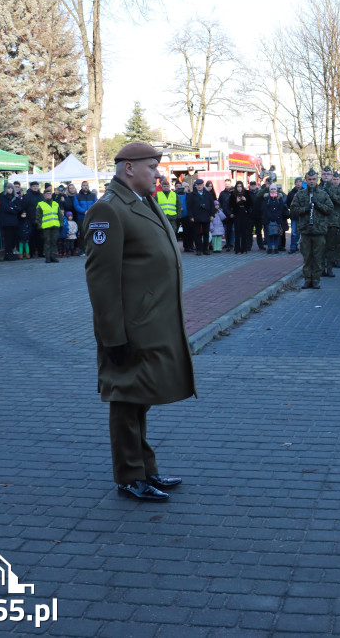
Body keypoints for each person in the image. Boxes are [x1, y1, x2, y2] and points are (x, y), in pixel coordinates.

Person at [83, 141, 195, 502]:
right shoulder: (108, 209)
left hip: (152, 323)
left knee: (140, 399)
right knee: (127, 399)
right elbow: (101, 280)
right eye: (152, 166)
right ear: (129, 167)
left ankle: (147, 470)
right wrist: (113, 336)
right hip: (129, 327)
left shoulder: (143, 202)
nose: (158, 173)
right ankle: (130, 476)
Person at [289, 169, 332, 289]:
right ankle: (308, 279)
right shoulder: (301, 194)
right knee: (307, 257)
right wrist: (305, 209)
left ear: (317, 180)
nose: (312, 182)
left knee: (318, 257)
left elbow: (329, 209)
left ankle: (316, 279)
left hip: (319, 231)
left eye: (314, 179)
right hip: (306, 230)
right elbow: (293, 210)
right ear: (305, 180)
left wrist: (317, 204)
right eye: (309, 180)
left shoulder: (323, 194)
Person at [188, 179, 215, 255]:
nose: (199, 186)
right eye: (198, 185)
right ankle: (198, 249)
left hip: (206, 216)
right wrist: (191, 216)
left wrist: (212, 215)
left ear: (203, 185)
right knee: (197, 234)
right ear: (196, 186)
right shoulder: (192, 194)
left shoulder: (208, 194)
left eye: (200, 185)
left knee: (206, 234)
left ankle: (205, 249)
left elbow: (212, 205)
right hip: (196, 216)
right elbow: (189, 206)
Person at [36, 188, 62, 263]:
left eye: (50, 193)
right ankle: (47, 257)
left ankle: (53, 256)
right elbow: (38, 217)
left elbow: (59, 215)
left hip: (55, 225)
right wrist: (39, 226)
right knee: (47, 242)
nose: (48, 195)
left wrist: (61, 224)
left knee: (54, 242)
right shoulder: (40, 204)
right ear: (44, 195)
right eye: (47, 194)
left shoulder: (55, 204)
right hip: (46, 227)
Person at [0, 183, 22, 261]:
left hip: (14, 221)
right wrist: (13, 209)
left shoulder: (14, 197)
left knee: (13, 239)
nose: (10, 190)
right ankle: (7, 254)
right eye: (8, 188)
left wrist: (13, 209)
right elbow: (6, 208)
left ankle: (10, 253)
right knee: (8, 239)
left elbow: (19, 207)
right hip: (6, 221)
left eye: (11, 188)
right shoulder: (2, 197)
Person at [261, 184, 288, 254]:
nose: (273, 190)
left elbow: (281, 209)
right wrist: (269, 216)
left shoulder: (279, 199)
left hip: (277, 220)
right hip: (269, 220)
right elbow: (264, 209)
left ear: (276, 190)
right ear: (270, 190)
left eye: (274, 189)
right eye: (272, 189)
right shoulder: (267, 199)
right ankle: (270, 248)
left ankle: (276, 248)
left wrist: (277, 217)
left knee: (276, 235)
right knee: (269, 235)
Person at [229, 181, 254, 254]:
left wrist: (245, 200)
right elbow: (230, 205)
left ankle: (244, 248)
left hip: (245, 214)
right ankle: (237, 249)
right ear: (236, 187)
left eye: (240, 186)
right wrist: (236, 201)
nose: (239, 188)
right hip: (237, 215)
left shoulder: (246, 193)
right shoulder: (233, 194)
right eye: (238, 186)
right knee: (237, 232)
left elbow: (251, 204)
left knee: (244, 232)